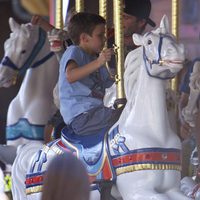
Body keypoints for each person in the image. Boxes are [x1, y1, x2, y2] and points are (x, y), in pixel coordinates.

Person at [59, 12, 123, 136]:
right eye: (100, 35)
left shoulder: (95, 60)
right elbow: (70, 76)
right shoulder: (74, 51)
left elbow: (110, 86)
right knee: (124, 115)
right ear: (84, 38)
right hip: (81, 115)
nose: (105, 38)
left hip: (97, 111)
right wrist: (99, 62)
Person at [108, 0, 156, 74]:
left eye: (125, 17)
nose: (119, 21)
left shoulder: (147, 50)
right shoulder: (105, 36)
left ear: (141, 22)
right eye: (119, 15)